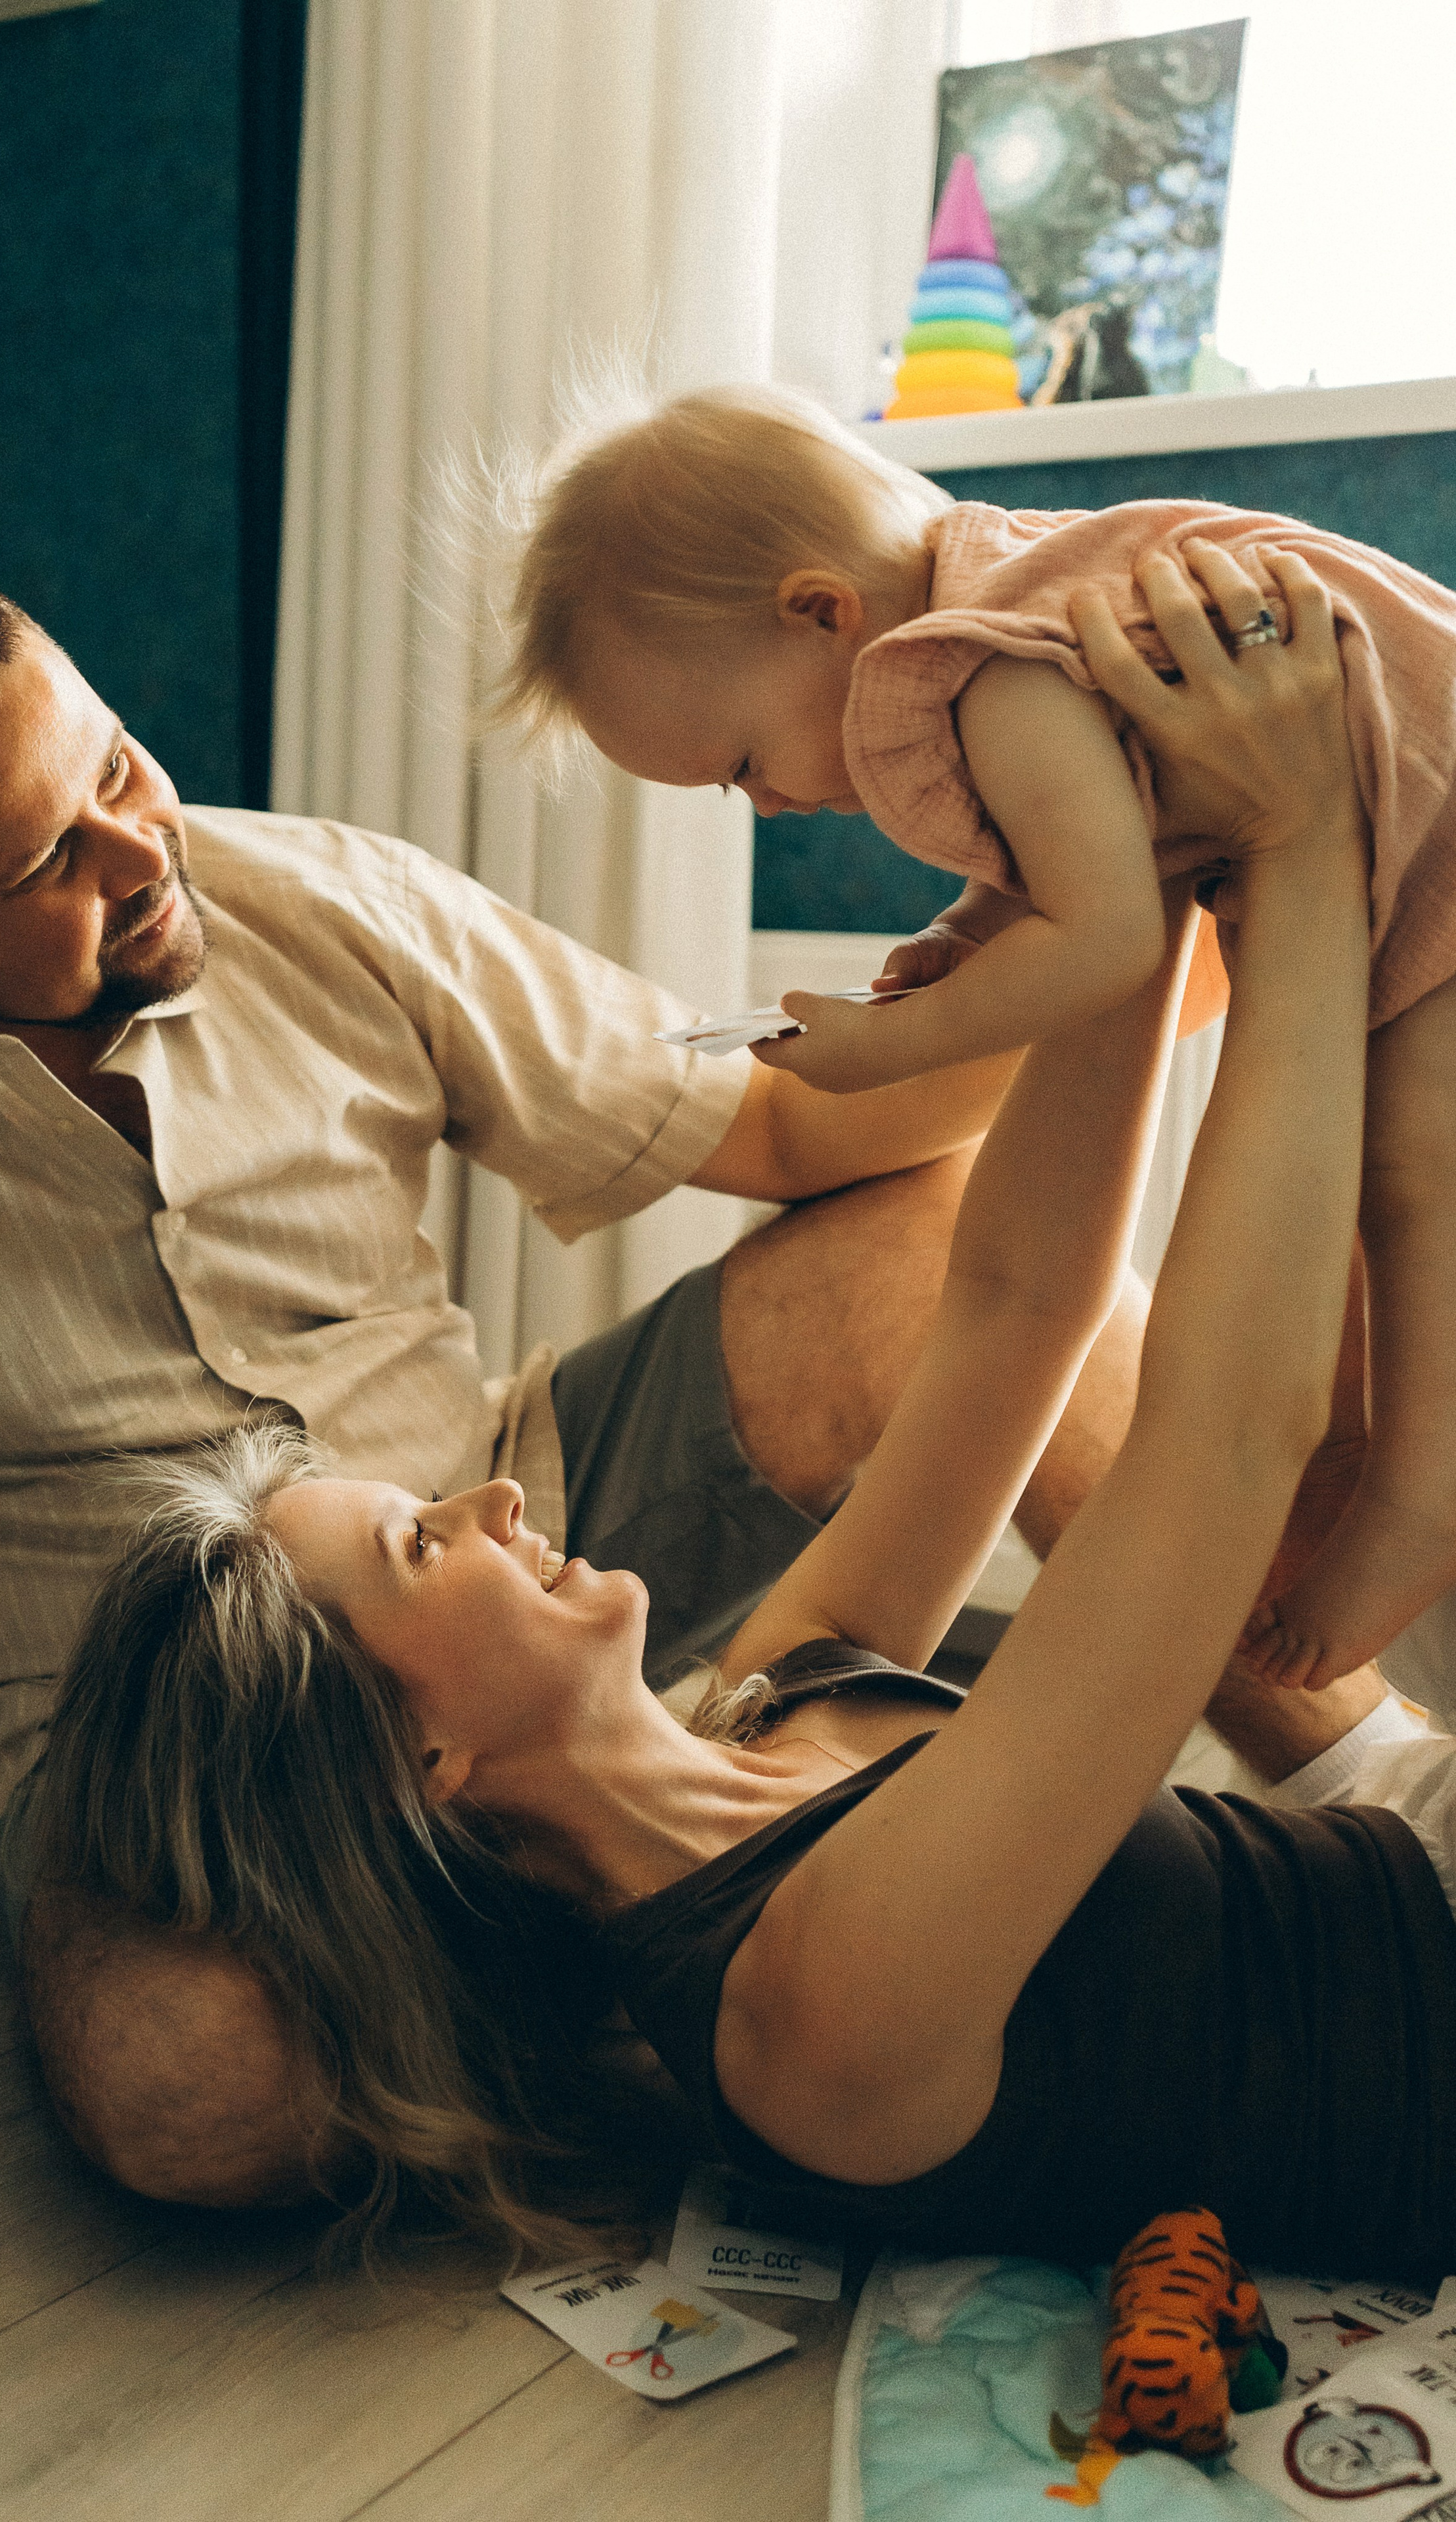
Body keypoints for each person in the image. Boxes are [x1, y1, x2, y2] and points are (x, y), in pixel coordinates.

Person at [30, 542, 1451, 2273]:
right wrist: (1301, 856)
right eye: (419, 1539)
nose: (492, 1499)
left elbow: (1013, 1307)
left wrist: (1123, 894)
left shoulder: (758, 1710)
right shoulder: (811, 2011)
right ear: (426, 1759)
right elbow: (1229, 1434)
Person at [0, 545, 1168, 2192]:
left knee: (920, 1243)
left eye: (119, 765)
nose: (137, 846)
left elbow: (791, 1120)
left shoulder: (325, 895)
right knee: (196, 2092)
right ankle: (691, 1882)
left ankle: (1354, 1761)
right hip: (145, 1724)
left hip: (501, 1531)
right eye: (44, 866)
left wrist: (1110, 934)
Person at [495, 381, 1456, 1705]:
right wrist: (965, 932)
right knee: (1374, 1184)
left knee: (1412, 1186)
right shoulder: (1009, 608)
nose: (767, 805)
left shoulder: (973, 667)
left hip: (1434, 834)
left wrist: (895, 1047)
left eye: (738, 764)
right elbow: (1081, 839)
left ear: (820, 613)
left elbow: (1109, 934)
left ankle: (1421, 1486)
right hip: (1399, 834)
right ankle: (1380, 1485)